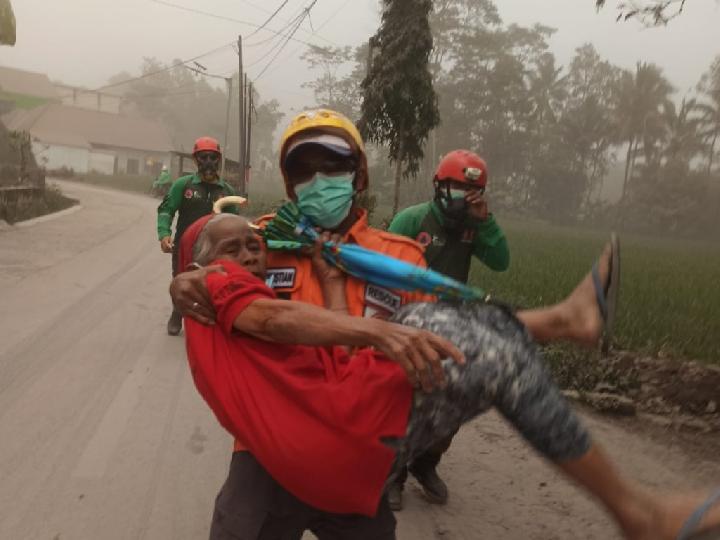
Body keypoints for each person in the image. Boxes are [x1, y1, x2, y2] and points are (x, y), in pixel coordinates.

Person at [170, 109, 624, 539]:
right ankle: (561, 322)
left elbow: (435, 350)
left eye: (333, 164)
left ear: (359, 173)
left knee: (460, 338)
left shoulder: (399, 257)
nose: (318, 178)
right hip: (266, 451)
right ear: (290, 185)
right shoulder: (264, 239)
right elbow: (215, 262)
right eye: (304, 170)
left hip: (354, 447)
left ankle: (559, 328)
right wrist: (184, 281)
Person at [180, 211, 720, 540]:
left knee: (469, 331)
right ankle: (638, 512)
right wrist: (381, 334)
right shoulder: (216, 283)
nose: (250, 251)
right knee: (487, 355)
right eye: (233, 246)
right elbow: (274, 318)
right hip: (340, 429)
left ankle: (560, 321)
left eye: (254, 243)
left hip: (335, 441)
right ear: (202, 262)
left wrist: (334, 283)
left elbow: (328, 346)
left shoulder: (249, 291)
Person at [386, 149, 508, 508]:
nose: (463, 195)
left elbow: (501, 261)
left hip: (453, 326)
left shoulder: (474, 227)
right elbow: (384, 270)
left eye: (471, 190)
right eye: (455, 187)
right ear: (439, 186)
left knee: (453, 399)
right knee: (402, 401)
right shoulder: (413, 220)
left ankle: (426, 463)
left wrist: (486, 223)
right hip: (410, 320)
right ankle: (392, 474)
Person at [156, 136, 237, 336]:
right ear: (196, 160)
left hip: (213, 249)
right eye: (203, 157)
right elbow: (166, 210)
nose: (208, 162)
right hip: (184, 245)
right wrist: (164, 234)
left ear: (218, 160)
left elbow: (234, 222)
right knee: (181, 281)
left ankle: (206, 321)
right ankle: (177, 313)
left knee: (212, 285)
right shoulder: (183, 186)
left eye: (212, 157)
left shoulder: (227, 191)